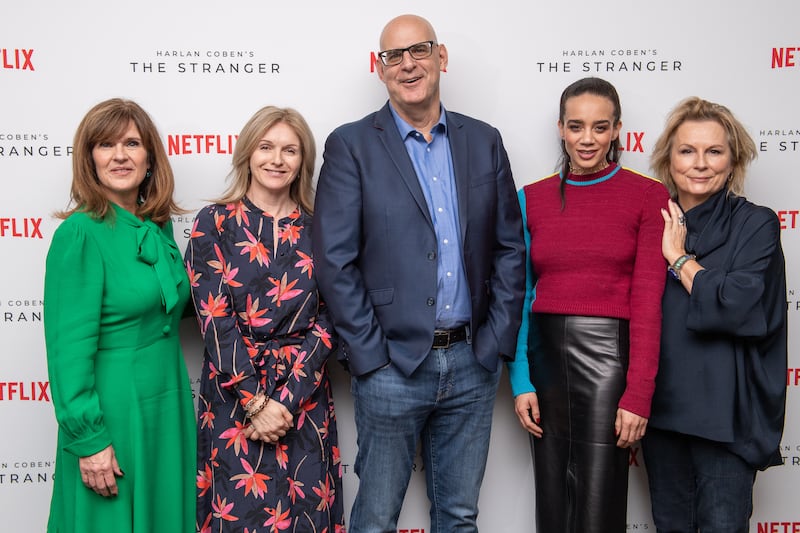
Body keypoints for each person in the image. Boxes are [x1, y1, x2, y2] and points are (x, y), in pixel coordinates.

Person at [312, 13, 525, 533]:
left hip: (472, 365)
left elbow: (510, 249)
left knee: (458, 516)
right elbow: (334, 260)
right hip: (391, 368)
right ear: (380, 68)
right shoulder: (351, 145)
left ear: (441, 57)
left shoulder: (484, 140)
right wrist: (370, 357)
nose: (408, 65)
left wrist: (494, 343)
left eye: (419, 51)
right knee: (377, 518)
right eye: (393, 56)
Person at [507, 77, 670, 533]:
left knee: (599, 503)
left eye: (600, 127)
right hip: (545, 358)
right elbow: (519, 297)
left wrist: (638, 394)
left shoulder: (647, 196)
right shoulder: (531, 199)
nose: (587, 138)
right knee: (553, 500)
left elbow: (648, 303)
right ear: (560, 127)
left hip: (609, 358)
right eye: (576, 126)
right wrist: (520, 379)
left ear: (617, 129)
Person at [185, 106, 344, 533]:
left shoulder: (324, 227)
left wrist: (285, 400)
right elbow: (215, 320)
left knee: (307, 518)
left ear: (302, 161)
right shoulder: (213, 223)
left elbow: (331, 318)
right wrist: (256, 402)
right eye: (266, 147)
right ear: (247, 154)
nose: (277, 159)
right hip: (232, 400)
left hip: (304, 398)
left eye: (289, 150)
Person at [43, 98, 195, 532]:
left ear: (150, 158)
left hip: (165, 405)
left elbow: (175, 309)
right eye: (106, 145)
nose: (120, 155)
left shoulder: (155, 226)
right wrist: (89, 440)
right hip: (114, 412)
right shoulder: (80, 234)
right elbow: (68, 353)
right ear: (89, 158)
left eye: (131, 142)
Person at [642, 97, 787, 533]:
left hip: (726, 420)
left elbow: (738, 303)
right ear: (669, 159)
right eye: (687, 151)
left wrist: (678, 259)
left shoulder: (756, 224)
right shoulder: (650, 221)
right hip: (661, 414)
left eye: (714, 151)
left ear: (734, 158)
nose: (700, 164)